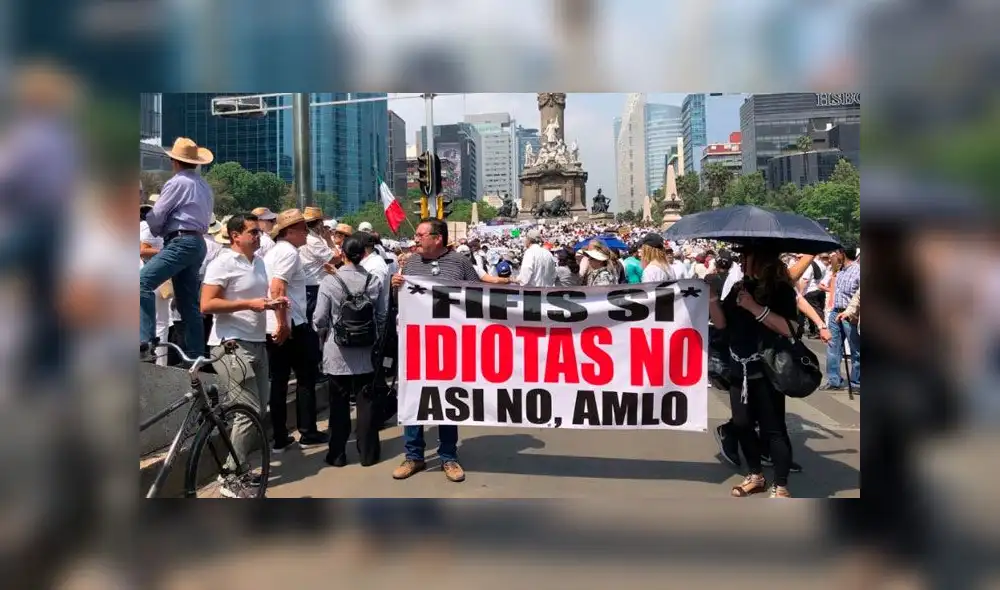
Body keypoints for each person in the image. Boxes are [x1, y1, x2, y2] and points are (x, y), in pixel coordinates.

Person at [201, 213, 288, 497]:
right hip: (231, 345)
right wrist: (248, 304)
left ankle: (237, 469)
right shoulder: (223, 263)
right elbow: (207, 304)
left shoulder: (259, 262)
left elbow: (260, 300)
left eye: (258, 232)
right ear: (235, 235)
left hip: (256, 342)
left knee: (258, 411)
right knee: (246, 412)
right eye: (252, 231)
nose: (258, 236)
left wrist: (274, 308)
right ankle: (228, 477)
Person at [389, 218, 481, 483]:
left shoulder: (460, 263)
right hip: (416, 345)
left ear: (437, 238)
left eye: (420, 235)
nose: (415, 239)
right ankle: (413, 456)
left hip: (449, 346)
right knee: (413, 399)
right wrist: (395, 287)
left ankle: (448, 456)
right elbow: (401, 304)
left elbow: (477, 297)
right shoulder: (411, 262)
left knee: (446, 400)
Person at [709, 242, 799, 498]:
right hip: (740, 367)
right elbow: (721, 322)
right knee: (742, 423)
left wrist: (755, 308)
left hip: (768, 369)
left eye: (744, 256)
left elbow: (791, 328)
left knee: (773, 428)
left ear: (758, 259)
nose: (740, 261)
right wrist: (712, 298)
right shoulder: (741, 287)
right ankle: (755, 475)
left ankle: (780, 486)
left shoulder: (780, 290)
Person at [314, 235, 387, 467]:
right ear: (363, 255)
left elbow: (319, 318)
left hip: (337, 350)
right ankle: (368, 453)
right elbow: (382, 315)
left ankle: (337, 454)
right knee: (366, 403)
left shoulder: (329, 282)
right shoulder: (373, 281)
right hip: (366, 351)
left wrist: (323, 336)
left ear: (342, 254)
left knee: (339, 403)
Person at [140, 137, 215, 360]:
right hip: (197, 243)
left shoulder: (177, 182)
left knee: (142, 282)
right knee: (187, 302)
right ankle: (196, 354)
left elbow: (159, 215)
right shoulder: (204, 185)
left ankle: (144, 339)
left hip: (180, 241)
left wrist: (147, 217)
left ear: (174, 161)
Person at [262, 209, 329, 452]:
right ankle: (308, 431)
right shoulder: (289, 253)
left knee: (279, 382)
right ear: (289, 232)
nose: (306, 234)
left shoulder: (274, 252)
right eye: (303, 229)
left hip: (276, 325)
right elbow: (277, 289)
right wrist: (283, 324)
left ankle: (280, 437)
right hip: (292, 325)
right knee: (305, 379)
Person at [824, 242, 861, 390]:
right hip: (835, 312)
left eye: (836, 253)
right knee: (833, 347)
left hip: (850, 315)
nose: (834, 255)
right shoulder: (840, 271)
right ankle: (834, 380)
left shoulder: (858, 271)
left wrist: (853, 313)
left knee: (855, 350)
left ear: (842, 253)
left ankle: (856, 381)